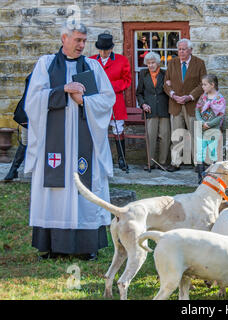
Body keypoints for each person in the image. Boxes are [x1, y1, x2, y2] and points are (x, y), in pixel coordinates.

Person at [24, 22, 116, 260]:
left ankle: (87, 246)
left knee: (85, 188)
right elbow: (32, 101)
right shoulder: (45, 64)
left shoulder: (93, 66)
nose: (82, 45)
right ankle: (53, 246)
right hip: (54, 145)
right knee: (56, 188)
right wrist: (62, 90)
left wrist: (83, 101)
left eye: (84, 41)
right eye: (78, 40)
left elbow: (108, 100)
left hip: (85, 142)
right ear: (64, 38)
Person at [163, 38, 207, 172]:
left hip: (192, 105)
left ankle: (198, 163)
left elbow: (203, 84)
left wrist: (190, 96)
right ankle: (175, 162)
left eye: (184, 49)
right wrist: (173, 94)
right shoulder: (172, 63)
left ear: (190, 50)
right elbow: (166, 83)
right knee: (177, 135)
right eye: (179, 49)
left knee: (195, 134)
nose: (181, 52)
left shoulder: (199, 63)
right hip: (175, 105)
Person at [90, 33, 132, 171]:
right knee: (97, 129)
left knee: (118, 129)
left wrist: (108, 86)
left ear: (111, 49)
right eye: (101, 50)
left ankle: (121, 159)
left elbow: (127, 81)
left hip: (115, 100)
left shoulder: (122, 60)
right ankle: (98, 158)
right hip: (97, 101)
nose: (103, 53)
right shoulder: (90, 61)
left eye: (106, 50)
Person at [136, 52, 170, 170]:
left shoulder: (165, 74)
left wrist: (169, 85)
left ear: (158, 62)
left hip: (164, 108)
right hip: (150, 110)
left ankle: (163, 162)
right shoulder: (143, 74)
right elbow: (139, 93)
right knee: (151, 136)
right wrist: (143, 104)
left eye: (153, 62)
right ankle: (150, 162)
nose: (150, 65)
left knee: (165, 136)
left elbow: (170, 90)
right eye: (148, 63)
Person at [195, 74, 226, 183]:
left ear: (212, 85)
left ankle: (212, 178)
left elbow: (221, 115)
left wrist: (210, 124)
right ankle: (201, 178)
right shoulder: (203, 97)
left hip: (213, 129)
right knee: (200, 152)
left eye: (205, 84)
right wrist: (202, 122)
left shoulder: (219, 98)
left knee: (213, 153)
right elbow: (197, 110)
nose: (203, 87)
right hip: (202, 129)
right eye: (202, 84)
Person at [3, 73, 32, 181]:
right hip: (27, 114)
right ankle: (13, 170)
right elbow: (27, 97)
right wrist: (24, 117)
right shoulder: (33, 76)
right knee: (25, 141)